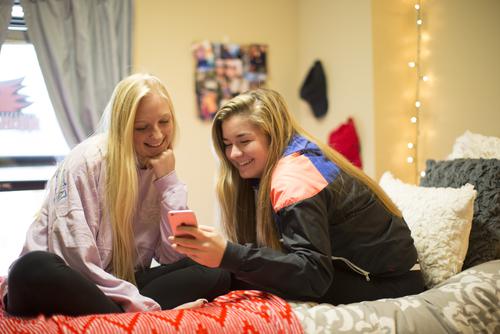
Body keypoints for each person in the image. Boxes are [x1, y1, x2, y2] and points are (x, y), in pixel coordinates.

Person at [169, 88, 426, 305]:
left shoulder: (295, 174)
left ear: (273, 135)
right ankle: (132, 289)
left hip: (388, 286)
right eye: (227, 144)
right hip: (361, 275)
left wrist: (229, 254)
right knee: (217, 269)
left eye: (244, 141)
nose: (233, 154)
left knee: (225, 273)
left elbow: (313, 275)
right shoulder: (284, 164)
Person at [1, 73, 229, 317]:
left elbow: (172, 255)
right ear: (123, 127)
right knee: (32, 268)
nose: (158, 136)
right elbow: (76, 259)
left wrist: (169, 182)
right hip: (67, 278)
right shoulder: (86, 161)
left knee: (217, 268)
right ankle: (138, 316)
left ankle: (120, 314)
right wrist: (144, 305)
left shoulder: (158, 166)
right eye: (142, 128)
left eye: (164, 122)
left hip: (115, 284)